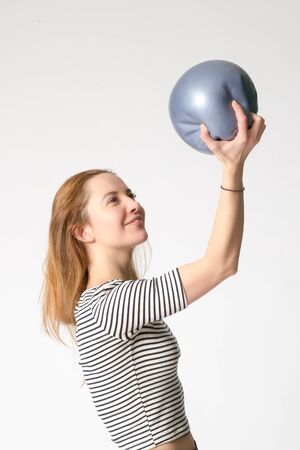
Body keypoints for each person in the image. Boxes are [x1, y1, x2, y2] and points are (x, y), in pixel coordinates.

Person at [41, 100, 266, 450]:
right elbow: (221, 263)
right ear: (83, 231)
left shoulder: (114, 301)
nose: (134, 204)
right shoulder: (108, 305)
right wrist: (231, 167)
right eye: (113, 201)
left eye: (130, 194)